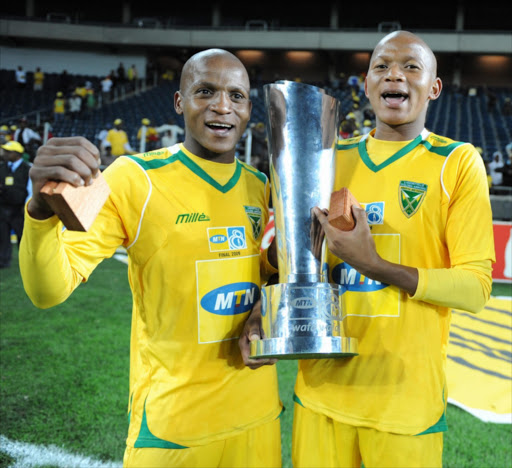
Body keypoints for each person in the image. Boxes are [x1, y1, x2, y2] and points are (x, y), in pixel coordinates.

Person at [19, 48, 282, 468]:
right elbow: (48, 291)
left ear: (249, 108)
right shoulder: (132, 178)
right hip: (173, 432)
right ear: (179, 102)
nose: (222, 106)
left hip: (260, 422)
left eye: (236, 96)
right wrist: (38, 211)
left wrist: (266, 309)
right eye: (205, 91)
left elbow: (274, 276)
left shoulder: (262, 186)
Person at [247, 31, 495, 468]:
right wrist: (259, 310)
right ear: (365, 84)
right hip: (320, 395)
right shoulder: (327, 158)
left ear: (434, 87)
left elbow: (475, 287)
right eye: (381, 67)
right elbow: (283, 260)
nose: (393, 75)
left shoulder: (456, 163)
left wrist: (373, 264)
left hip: (405, 406)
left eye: (411, 67)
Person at [0, 141, 32, 268]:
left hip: (19, 209)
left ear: (17, 154)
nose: (5, 154)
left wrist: (26, 206)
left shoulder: (28, 169)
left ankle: (26, 261)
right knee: (2, 236)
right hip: (2, 207)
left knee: (22, 236)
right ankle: (3, 260)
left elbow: (31, 189)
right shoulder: (2, 167)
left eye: (8, 152)